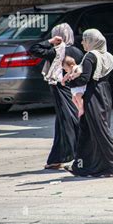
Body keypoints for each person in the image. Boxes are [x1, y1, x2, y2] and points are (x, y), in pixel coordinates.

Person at [65, 29, 113, 177]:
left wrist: (68, 82)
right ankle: (80, 167)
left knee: (101, 132)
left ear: (92, 41)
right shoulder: (109, 56)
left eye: (85, 39)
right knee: (86, 131)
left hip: (93, 96)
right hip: (105, 94)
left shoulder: (90, 57)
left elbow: (84, 79)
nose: (82, 42)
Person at [29, 23, 83, 169]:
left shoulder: (56, 52)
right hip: (73, 91)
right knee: (62, 123)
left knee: (68, 123)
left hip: (62, 91)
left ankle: (80, 158)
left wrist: (50, 42)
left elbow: (33, 49)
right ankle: (56, 159)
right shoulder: (77, 51)